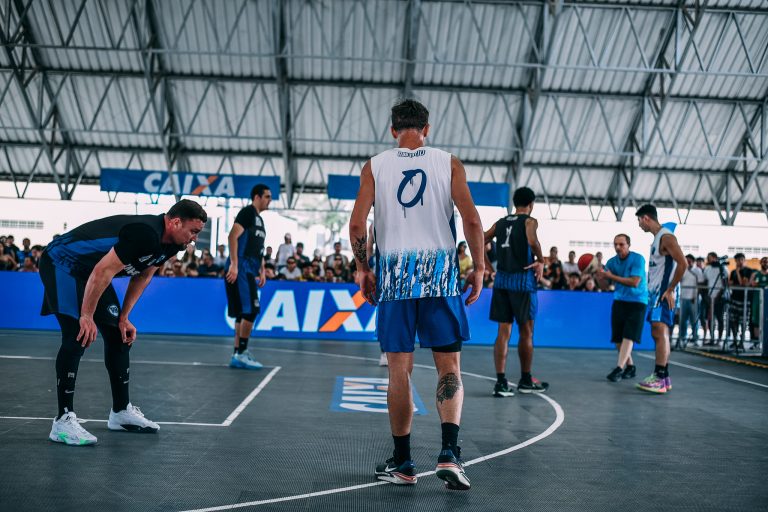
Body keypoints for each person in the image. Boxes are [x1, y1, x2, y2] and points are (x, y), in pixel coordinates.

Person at [349, 99, 483, 490]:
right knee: (449, 368)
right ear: (427, 128)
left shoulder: (375, 166)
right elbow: (472, 219)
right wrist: (479, 267)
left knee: (398, 371)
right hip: (440, 277)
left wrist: (363, 268)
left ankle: (404, 463)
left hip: (395, 281)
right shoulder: (449, 163)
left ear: (393, 130)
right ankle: (450, 454)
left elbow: (357, 224)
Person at [40, 199, 207, 445]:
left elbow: (143, 275)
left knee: (119, 336)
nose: (194, 239)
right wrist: (86, 316)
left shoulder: (172, 244)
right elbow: (103, 272)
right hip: (63, 262)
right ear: (174, 222)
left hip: (93, 271)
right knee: (78, 334)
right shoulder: (145, 234)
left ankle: (120, 413)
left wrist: (124, 317)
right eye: (193, 231)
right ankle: (62, 421)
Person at [483, 187, 548, 398]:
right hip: (522, 283)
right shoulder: (530, 221)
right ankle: (525, 380)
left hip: (501, 281)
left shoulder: (501, 223)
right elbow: (532, 240)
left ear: (514, 203)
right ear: (531, 204)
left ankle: (501, 382)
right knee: (526, 332)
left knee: (503, 332)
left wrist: (488, 268)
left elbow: (480, 240)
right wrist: (541, 260)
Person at [635, 205, 687, 394]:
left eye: (639, 220)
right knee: (659, 332)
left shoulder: (666, 237)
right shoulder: (659, 238)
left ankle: (658, 377)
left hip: (663, 293)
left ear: (646, 218)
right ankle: (664, 378)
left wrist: (671, 289)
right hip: (657, 294)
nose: (639, 225)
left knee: (660, 332)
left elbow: (683, 263)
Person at [225, 184, 272, 370]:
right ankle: (242, 353)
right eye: (267, 196)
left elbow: (258, 247)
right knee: (251, 310)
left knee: (243, 312)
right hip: (242, 268)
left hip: (250, 269)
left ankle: (237, 353)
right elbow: (232, 237)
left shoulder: (260, 220)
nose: (269, 200)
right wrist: (234, 264)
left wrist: (262, 269)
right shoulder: (247, 213)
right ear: (257, 197)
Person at [597, 234, 647, 382]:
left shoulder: (638, 259)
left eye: (621, 244)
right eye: (615, 244)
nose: (618, 247)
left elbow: (634, 282)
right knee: (618, 338)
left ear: (628, 245)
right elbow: (605, 286)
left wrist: (611, 276)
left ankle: (619, 369)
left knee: (628, 335)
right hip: (619, 300)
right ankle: (630, 366)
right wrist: (599, 277)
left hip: (638, 301)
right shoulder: (612, 262)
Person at [678, 254, 705, 348]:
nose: (688, 262)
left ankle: (695, 338)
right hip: (683, 298)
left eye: (689, 261)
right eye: (686, 260)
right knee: (683, 320)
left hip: (694, 299)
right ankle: (682, 337)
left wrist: (696, 295)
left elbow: (700, 283)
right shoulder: (682, 269)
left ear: (693, 261)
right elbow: (678, 280)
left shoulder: (697, 270)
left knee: (694, 320)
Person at [729, 253, 754, 347]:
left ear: (744, 260)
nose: (739, 262)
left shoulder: (749, 271)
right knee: (733, 321)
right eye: (737, 260)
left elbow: (743, 283)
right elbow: (730, 283)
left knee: (743, 322)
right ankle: (735, 340)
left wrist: (738, 272)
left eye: (741, 260)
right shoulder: (733, 272)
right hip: (734, 299)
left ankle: (742, 342)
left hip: (745, 300)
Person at [703, 252, 726, 344]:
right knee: (710, 319)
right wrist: (707, 296)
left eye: (711, 258)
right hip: (710, 297)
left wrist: (718, 295)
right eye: (708, 258)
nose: (709, 260)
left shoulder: (723, 268)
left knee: (720, 318)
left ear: (716, 258)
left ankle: (719, 339)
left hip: (719, 298)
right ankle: (712, 338)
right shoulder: (707, 269)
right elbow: (705, 281)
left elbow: (725, 284)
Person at [749, 257, 768, 346]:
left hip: (766, 301)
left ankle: (765, 342)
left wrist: (758, 284)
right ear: (760, 263)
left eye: (767, 262)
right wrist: (753, 283)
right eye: (764, 262)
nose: (765, 263)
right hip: (757, 301)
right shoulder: (755, 274)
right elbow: (751, 284)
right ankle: (756, 342)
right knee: (756, 321)